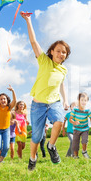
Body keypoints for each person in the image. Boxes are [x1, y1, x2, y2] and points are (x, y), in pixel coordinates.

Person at [20, 11, 70, 171]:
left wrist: (66, 100)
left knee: (59, 121)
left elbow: (61, 84)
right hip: (38, 105)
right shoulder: (43, 61)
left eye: (64, 52)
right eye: (59, 50)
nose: (61, 54)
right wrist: (28, 20)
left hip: (54, 102)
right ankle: (32, 158)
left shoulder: (63, 70)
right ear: (52, 51)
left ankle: (51, 146)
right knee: (35, 136)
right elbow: (34, 42)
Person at [69, 93, 91, 158]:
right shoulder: (75, 109)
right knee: (75, 144)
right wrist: (74, 122)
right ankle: (76, 156)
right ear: (78, 100)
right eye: (82, 100)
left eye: (85, 100)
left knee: (84, 140)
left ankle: (84, 151)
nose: (83, 102)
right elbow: (70, 119)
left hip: (85, 129)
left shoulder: (87, 111)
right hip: (76, 129)